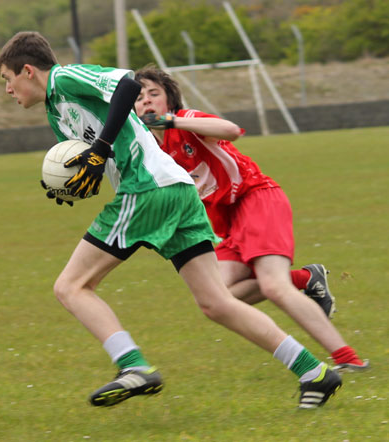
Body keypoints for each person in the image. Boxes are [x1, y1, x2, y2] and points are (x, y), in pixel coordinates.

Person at [0, 31, 342, 410]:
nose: (8, 91)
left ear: (28, 70)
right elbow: (102, 156)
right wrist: (80, 179)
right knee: (216, 303)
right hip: (176, 189)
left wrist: (99, 149)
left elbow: (126, 86)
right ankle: (315, 372)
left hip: (148, 188)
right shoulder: (55, 112)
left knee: (71, 286)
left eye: (7, 80)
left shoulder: (65, 78)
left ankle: (133, 366)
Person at [134, 65, 369, 373]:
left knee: (273, 286)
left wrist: (172, 119)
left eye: (155, 94)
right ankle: (305, 279)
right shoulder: (150, 148)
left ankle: (348, 359)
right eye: (139, 98)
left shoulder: (186, 120)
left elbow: (231, 130)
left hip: (256, 198)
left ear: (170, 101)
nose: (147, 102)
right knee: (218, 299)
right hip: (226, 219)